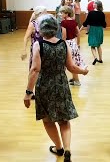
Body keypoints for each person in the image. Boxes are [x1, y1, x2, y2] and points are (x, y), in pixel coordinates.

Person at [23, 14, 88, 162]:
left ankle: (58, 147)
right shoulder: (64, 44)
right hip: (61, 84)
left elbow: (34, 70)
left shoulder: (38, 45)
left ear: (40, 29)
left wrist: (28, 93)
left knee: (48, 120)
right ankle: (67, 150)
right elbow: (71, 67)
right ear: (56, 28)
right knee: (64, 120)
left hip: (44, 85)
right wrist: (83, 71)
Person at [60, 6, 86, 86]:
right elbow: (78, 33)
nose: (61, 14)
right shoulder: (74, 21)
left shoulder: (64, 22)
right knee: (73, 61)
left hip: (67, 44)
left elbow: (64, 36)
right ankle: (74, 78)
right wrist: (78, 44)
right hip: (73, 43)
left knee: (68, 63)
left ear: (66, 13)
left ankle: (76, 80)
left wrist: (62, 45)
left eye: (62, 13)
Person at [80, 0, 106, 65]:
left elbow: (86, 23)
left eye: (94, 3)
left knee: (92, 45)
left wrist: (79, 30)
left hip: (93, 30)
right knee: (98, 45)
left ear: (97, 5)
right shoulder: (102, 14)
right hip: (99, 30)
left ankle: (95, 58)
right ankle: (100, 59)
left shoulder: (91, 13)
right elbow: (104, 24)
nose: (93, 4)